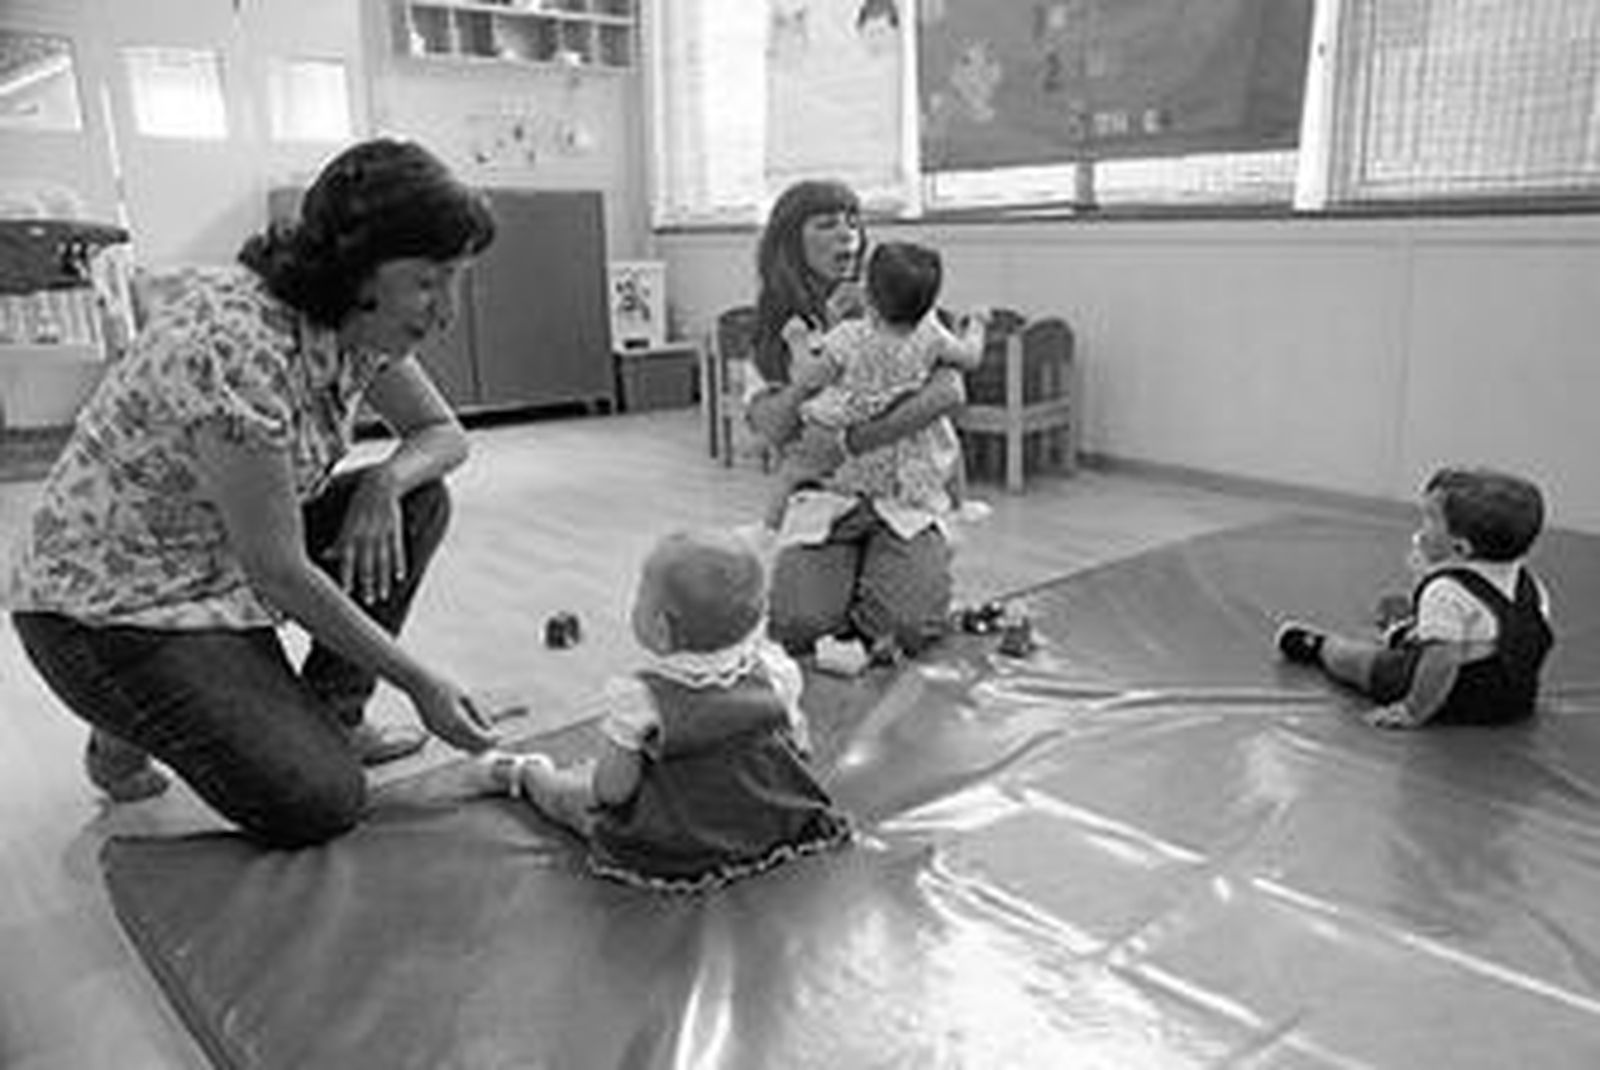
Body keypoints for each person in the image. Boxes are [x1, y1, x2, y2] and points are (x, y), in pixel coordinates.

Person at [5, 137, 501, 847]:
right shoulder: (236, 343)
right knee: (318, 801)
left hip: (219, 563)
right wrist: (421, 682)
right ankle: (122, 712)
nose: (446, 309)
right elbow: (280, 570)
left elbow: (441, 434)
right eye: (429, 281)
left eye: (456, 279)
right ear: (360, 267)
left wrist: (386, 480)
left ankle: (332, 712)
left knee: (419, 500)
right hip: (113, 608)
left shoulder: (359, 320)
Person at [466, 528, 851, 893]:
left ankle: (526, 774)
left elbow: (612, 792)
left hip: (682, 841)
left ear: (662, 629)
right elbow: (799, 746)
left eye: (640, 596)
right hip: (773, 820)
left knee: (571, 800)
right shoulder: (776, 668)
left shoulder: (640, 698)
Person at [746, 180, 972, 660]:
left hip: (903, 494)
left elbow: (950, 390)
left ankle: (899, 568)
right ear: (791, 242)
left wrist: (850, 442)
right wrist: (806, 376)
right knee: (799, 626)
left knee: (907, 629)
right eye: (827, 224)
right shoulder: (778, 328)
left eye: (853, 221)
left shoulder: (908, 303)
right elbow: (772, 427)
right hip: (827, 499)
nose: (846, 233)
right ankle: (854, 579)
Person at [1275, 467, 1554, 729]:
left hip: (1453, 700)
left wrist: (1413, 709)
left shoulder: (1445, 591)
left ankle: (1317, 646)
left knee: (1358, 659)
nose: (1421, 527)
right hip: (1514, 701)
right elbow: (1527, 642)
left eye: (1430, 519)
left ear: (1460, 546)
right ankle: (1403, 631)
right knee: (1417, 619)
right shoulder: (1531, 585)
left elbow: (1441, 661)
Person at [762, 240, 989, 533]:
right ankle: (960, 505)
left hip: (849, 434)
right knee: (947, 437)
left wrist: (796, 341)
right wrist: (978, 324)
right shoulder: (930, 334)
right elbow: (970, 357)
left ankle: (768, 531)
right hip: (910, 445)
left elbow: (811, 376)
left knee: (791, 471)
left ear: (869, 294)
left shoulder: (849, 337)